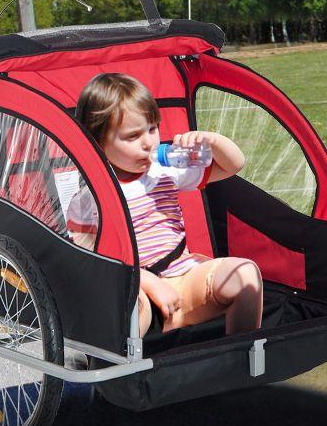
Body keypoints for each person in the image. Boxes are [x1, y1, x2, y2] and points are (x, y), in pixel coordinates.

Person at [66, 72, 263, 338]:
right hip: (137, 290)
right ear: (97, 144)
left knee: (245, 273)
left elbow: (233, 165)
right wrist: (147, 282)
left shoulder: (163, 171)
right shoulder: (92, 197)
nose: (149, 142)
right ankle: (117, 371)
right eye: (133, 136)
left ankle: (243, 357)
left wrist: (213, 142)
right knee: (129, 306)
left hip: (183, 278)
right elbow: (90, 261)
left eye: (152, 128)